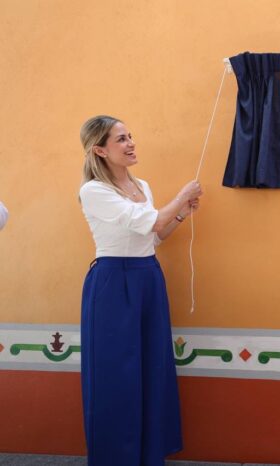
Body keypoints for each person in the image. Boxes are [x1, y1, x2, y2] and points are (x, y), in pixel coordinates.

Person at [78, 115, 202, 466]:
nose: (131, 143)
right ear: (99, 150)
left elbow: (156, 234)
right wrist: (180, 197)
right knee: (115, 372)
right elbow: (151, 220)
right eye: (120, 139)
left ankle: (147, 454)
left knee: (152, 365)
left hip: (148, 276)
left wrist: (181, 214)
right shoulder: (94, 191)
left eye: (130, 136)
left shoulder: (142, 185)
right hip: (113, 281)